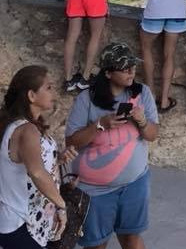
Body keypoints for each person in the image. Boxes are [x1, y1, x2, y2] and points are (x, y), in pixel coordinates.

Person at [65, 43, 159, 249]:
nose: (131, 72)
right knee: (97, 244)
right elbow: (71, 142)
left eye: (133, 66)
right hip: (94, 189)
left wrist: (142, 121)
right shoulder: (86, 99)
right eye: (125, 68)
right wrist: (99, 125)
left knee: (131, 238)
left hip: (134, 183)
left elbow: (152, 135)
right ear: (108, 73)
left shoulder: (142, 93)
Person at [0, 66, 75, 249]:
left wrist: (57, 160)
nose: (54, 93)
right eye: (48, 87)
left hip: (31, 224)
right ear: (31, 95)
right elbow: (36, 172)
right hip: (21, 225)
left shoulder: (28, 125)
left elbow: (33, 163)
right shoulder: (27, 130)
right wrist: (62, 206)